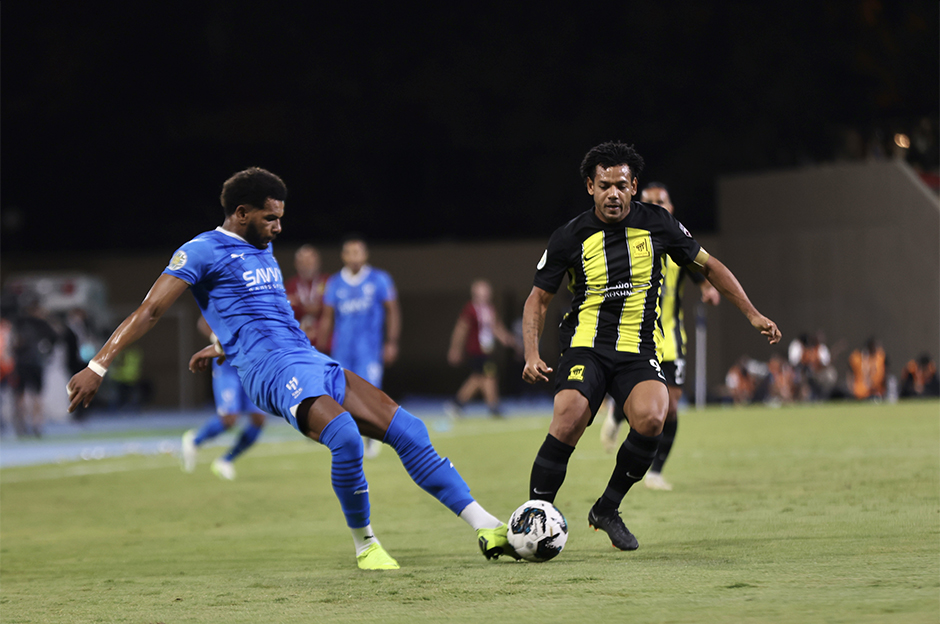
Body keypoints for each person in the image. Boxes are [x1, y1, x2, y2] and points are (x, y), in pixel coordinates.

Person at [67, 167, 515, 570]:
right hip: (271, 374)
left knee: (410, 430)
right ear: (241, 213)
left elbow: (261, 315)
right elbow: (149, 311)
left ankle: (487, 526)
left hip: (309, 358)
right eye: (270, 217)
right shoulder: (201, 250)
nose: (279, 227)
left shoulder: (262, 249)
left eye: (280, 217)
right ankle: (366, 545)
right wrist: (98, 366)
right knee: (343, 437)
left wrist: (223, 343)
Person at [521, 142, 781, 551]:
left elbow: (709, 266)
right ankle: (535, 516)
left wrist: (751, 314)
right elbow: (538, 299)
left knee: (653, 417)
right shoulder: (569, 236)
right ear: (590, 187)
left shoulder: (658, 224)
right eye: (604, 185)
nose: (613, 193)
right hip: (585, 347)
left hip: (637, 350)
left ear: (633, 185)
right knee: (569, 416)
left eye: (621, 185)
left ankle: (606, 509)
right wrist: (532, 353)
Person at [598, 182, 720, 492]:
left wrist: (708, 290)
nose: (656, 206)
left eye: (661, 201)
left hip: (672, 340)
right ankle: (617, 412)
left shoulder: (677, 244)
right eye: (649, 202)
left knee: (672, 408)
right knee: (644, 401)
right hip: (639, 338)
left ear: (671, 207)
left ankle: (655, 471)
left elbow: (699, 272)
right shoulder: (629, 242)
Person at [318, 235, 400, 459]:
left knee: (370, 394)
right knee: (342, 396)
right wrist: (320, 345)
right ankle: (349, 440)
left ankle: (372, 438)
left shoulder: (379, 279)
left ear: (365, 255)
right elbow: (328, 317)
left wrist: (391, 342)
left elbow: (393, 311)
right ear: (343, 256)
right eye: (349, 252)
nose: (354, 257)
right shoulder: (334, 283)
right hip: (342, 350)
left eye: (358, 252)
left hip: (369, 349)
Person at [180, 316, 269, 480]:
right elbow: (203, 321)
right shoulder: (229, 296)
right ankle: (195, 440)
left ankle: (225, 460)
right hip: (227, 367)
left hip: (250, 366)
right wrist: (216, 339)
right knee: (229, 419)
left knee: (259, 419)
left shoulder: (259, 300)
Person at [446, 279, 517, 418]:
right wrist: (455, 349)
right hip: (476, 350)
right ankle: (493, 406)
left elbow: (496, 327)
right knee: (489, 375)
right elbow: (461, 330)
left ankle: (458, 403)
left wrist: (507, 339)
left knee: (479, 378)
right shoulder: (470, 309)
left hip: (487, 350)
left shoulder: (490, 309)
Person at [13, 299, 58, 437]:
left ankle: (21, 425)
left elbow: (14, 342)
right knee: (36, 395)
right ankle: (36, 424)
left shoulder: (19, 322)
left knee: (20, 395)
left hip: (21, 363)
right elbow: (55, 337)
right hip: (36, 363)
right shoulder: (43, 324)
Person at [285, 244, 327, 345]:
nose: (307, 264)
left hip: (324, 343)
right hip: (298, 343)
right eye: (303, 261)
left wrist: (300, 306)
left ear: (318, 263)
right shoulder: (290, 286)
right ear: (296, 264)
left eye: (310, 261)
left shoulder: (328, 282)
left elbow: (329, 310)